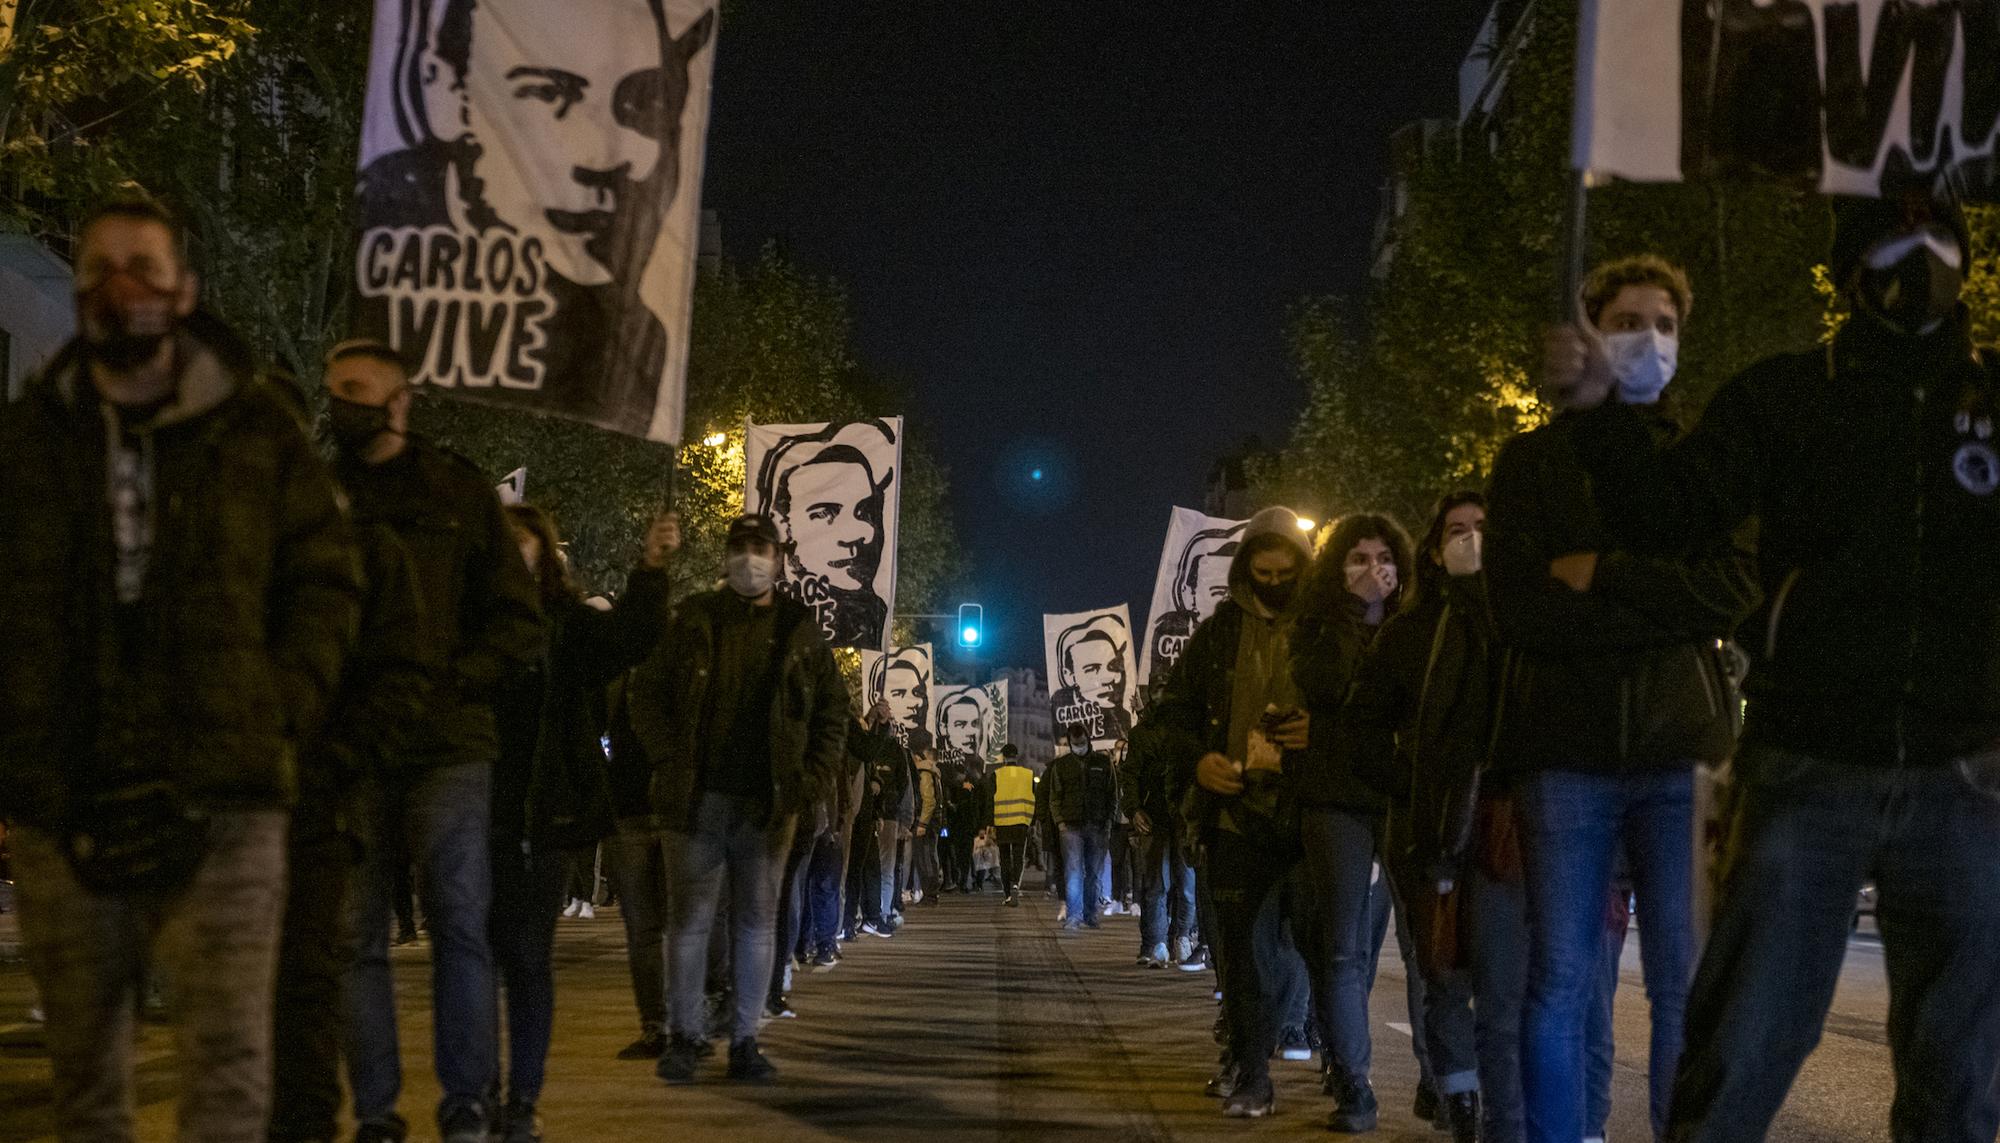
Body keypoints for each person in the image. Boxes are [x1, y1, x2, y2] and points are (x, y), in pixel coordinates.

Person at [1555, 194, 2000, 1142]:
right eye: (1896, 238)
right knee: (1743, 1048)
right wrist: (1601, 418)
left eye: (1940, 239)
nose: (1922, 259)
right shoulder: (1783, 396)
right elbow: (1670, 510)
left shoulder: (1992, 401)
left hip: (1967, 772)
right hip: (1810, 762)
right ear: (1849, 270)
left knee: (1961, 1074)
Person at [0, 199, 364, 1141]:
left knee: (227, 1074)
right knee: (85, 1083)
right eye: (101, 269)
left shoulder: (256, 434)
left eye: (145, 268)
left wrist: (275, 705)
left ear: (186, 292)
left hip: (226, 798)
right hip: (64, 799)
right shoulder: (30, 439)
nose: (123, 289)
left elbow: (325, 579)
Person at [1489, 254, 1756, 1143]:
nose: (1650, 339)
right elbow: (1522, 610)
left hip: (1683, 750)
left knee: (1688, 981)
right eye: (1629, 320)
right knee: (1561, 977)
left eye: (1667, 324)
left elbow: (1728, 589)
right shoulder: (1528, 464)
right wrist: (1659, 608)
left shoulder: (1704, 459)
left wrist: (1604, 575)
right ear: (1590, 334)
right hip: (1565, 753)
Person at [328, 338, 546, 1143]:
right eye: (332, 389)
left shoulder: (456, 491)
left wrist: (458, 678)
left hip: (449, 745)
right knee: (355, 937)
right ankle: (377, 1112)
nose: (339, 403)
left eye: (355, 388)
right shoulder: (320, 495)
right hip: (353, 747)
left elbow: (518, 619)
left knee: (458, 920)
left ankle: (465, 1102)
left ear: (399, 399)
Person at [354, 0, 716, 434]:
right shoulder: (380, 241)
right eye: (550, 94)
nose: (614, 159)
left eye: (642, 105)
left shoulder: (631, 344)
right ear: (443, 92)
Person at [265, 373, 438, 1143]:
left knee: (305, 988)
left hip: (310, 804)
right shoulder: (185, 529)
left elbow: (399, 667)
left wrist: (337, 762)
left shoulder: (350, 537)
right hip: (209, 806)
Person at [630, 513, 848, 1084]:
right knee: (690, 923)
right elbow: (645, 692)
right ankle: (684, 1036)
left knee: (756, 924)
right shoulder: (693, 617)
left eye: (760, 548)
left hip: (767, 806)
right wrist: (666, 760)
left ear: (779, 559)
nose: (749, 558)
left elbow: (832, 715)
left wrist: (810, 782)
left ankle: (746, 1041)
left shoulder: (801, 630)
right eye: (740, 547)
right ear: (726, 556)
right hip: (696, 800)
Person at [489, 504, 674, 1139]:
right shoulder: (465, 617)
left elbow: (630, 638)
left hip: (546, 812)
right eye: (503, 538)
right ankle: (476, 1092)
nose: (515, 549)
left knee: (528, 957)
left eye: (525, 539)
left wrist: (650, 568)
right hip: (472, 807)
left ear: (546, 551)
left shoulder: (567, 627)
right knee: (475, 956)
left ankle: (522, 1101)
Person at [1334, 492, 1491, 1141]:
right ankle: (1459, 1100)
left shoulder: (1530, 620)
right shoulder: (1411, 633)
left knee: (1515, 977)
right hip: (1428, 831)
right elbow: (1362, 732)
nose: (1471, 541)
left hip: (1514, 825)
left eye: (1484, 529)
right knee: (1443, 971)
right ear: (1434, 547)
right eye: (1457, 530)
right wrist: (1412, 784)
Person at [1151, 507, 1314, 1119]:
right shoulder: (1218, 634)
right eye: (1263, 572)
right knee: (1242, 951)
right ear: (1246, 570)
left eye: (1286, 571)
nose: (1275, 583)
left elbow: (1368, 712)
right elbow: (1173, 714)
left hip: (1307, 814)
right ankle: (1252, 1072)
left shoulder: (1327, 630)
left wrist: (1317, 733)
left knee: (1313, 944)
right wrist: (1200, 762)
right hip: (1235, 815)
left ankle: (1338, 1059)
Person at [1289, 512, 1419, 1132]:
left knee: (1400, 948)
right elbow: (1330, 688)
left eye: (1385, 558)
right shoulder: (1315, 628)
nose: (1375, 570)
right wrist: (1354, 618)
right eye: (1359, 559)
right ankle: (1354, 1085)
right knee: (1343, 947)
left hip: (1403, 798)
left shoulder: (1421, 628)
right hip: (1336, 799)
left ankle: (1444, 1081)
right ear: (1336, 571)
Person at [750, 421, 899, 647]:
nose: (862, 533)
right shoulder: (757, 617)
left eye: (864, 511)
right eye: (825, 513)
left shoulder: (872, 616)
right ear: (780, 524)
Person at [1046, 726, 1120, 933]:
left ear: (1088, 739)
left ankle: (1090, 914)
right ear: (1070, 743)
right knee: (1073, 873)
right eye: (1075, 744)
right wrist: (1060, 822)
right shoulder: (1061, 765)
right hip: (1071, 826)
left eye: (1081, 743)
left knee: (1094, 874)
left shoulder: (1103, 762)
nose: (1079, 747)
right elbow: (1055, 797)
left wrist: (1108, 823)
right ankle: (1074, 916)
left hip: (1097, 825)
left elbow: (1112, 795)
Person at [987, 745, 1038, 905]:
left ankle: (1008, 894)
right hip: (1022, 822)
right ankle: (1016, 884)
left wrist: (989, 824)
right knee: (1018, 857)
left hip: (1002, 823)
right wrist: (1033, 822)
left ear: (1003, 757)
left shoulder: (996, 775)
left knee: (1004, 859)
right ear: (1017, 756)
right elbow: (1035, 799)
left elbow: (989, 801)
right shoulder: (1028, 774)